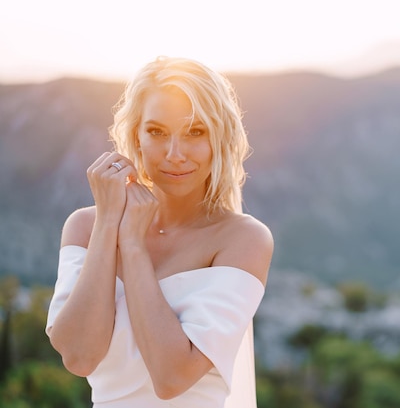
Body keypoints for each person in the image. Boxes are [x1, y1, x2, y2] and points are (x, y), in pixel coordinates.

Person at [45, 56, 274, 408]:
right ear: (135, 136)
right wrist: (109, 223)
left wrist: (133, 246)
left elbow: (172, 378)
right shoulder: (85, 226)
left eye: (195, 132)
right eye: (157, 132)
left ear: (220, 138)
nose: (175, 154)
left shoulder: (243, 239)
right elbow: (79, 357)